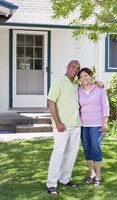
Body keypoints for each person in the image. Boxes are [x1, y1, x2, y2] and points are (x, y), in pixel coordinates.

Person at [46, 60, 82, 195]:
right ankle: (51, 184)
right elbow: (51, 102)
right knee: (58, 154)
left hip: (76, 124)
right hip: (62, 125)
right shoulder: (58, 81)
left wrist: (97, 84)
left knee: (72, 154)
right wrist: (58, 122)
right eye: (73, 67)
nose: (75, 70)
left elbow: (88, 87)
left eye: (77, 69)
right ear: (67, 67)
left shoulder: (76, 85)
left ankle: (64, 179)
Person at [78, 67, 110, 187]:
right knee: (87, 149)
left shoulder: (99, 89)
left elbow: (105, 106)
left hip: (96, 124)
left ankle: (98, 175)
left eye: (86, 75)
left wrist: (105, 122)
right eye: (81, 77)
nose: (84, 78)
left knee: (95, 148)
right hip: (84, 125)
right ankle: (91, 173)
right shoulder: (79, 90)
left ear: (91, 76)